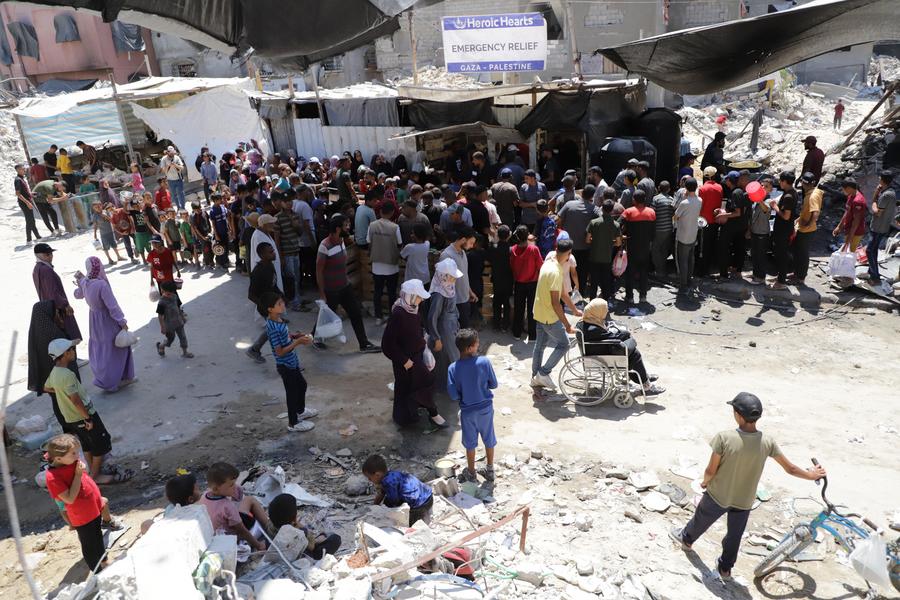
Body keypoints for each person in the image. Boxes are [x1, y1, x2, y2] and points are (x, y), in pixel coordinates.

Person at [669, 392, 826, 580]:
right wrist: (811, 475)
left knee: (701, 519)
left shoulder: (724, 438)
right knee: (734, 536)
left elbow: (711, 469)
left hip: (718, 494)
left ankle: (686, 540)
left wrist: (705, 481)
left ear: (738, 415)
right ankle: (725, 570)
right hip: (744, 500)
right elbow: (790, 468)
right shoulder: (767, 442)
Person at [44, 339, 128, 484]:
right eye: (71, 349)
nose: (74, 351)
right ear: (64, 354)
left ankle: (92, 472)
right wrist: (88, 418)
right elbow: (76, 401)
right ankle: (93, 477)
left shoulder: (55, 373)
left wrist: (60, 392)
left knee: (87, 444)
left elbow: (46, 387)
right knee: (100, 443)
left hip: (71, 418)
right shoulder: (67, 375)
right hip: (83, 416)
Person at [44, 434, 122, 572]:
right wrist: (78, 475)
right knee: (89, 544)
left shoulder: (71, 461)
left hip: (93, 508)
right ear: (58, 458)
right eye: (73, 453)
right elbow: (69, 499)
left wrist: (81, 471)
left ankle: (103, 560)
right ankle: (97, 570)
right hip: (82, 516)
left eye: (77, 452)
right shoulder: (53, 477)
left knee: (97, 536)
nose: (77, 455)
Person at [382, 279, 445, 428]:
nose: (421, 299)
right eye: (418, 296)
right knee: (406, 387)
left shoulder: (413, 308)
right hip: (405, 361)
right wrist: (404, 361)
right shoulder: (398, 314)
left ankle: (427, 413)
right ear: (409, 296)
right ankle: (430, 414)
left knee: (423, 382)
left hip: (416, 356)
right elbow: (387, 344)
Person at [314, 214, 380, 353]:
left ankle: (364, 344)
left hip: (345, 286)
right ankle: (315, 337)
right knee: (326, 315)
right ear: (338, 229)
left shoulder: (342, 241)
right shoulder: (324, 246)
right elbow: (319, 271)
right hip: (331, 290)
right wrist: (322, 294)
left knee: (355, 313)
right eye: (346, 225)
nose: (348, 227)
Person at [577, 298, 664, 395]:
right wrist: (625, 333)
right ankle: (646, 386)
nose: (606, 311)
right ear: (597, 311)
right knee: (634, 354)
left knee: (632, 354)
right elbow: (613, 337)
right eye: (604, 309)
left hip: (598, 349)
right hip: (601, 354)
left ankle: (643, 377)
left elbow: (606, 334)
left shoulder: (586, 321)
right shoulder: (593, 329)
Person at [73, 257, 134, 391]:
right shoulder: (101, 285)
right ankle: (117, 380)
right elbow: (112, 307)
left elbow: (77, 295)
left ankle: (105, 379)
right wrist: (122, 321)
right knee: (117, 348)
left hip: (94, 319)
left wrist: (79, 282)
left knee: (101, 348)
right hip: (107, 320)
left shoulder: (85, 282)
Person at [448, 329, 498, 483]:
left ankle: (471, 472)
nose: (478, 346)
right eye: (476, 344)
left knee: (470, 443)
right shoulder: (484, 362)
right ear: (469, 348)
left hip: (467, 412)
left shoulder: (453, 368)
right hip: (486, 410)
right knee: (489, 439)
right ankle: (490, 470)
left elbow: (453, 395)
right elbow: (494, 384)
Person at [263, 292, 318, 431]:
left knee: (302, 385)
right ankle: (293, 423)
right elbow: (279, 351)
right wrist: (298, 342)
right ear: (270, 309)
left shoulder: (279, 320)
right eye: (279, 304)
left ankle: (300, 411)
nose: (283, 306)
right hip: (285, 365)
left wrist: (295, 336)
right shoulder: (273, 327)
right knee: (292, 393)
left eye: (282, 302)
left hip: (292, 362)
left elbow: (285, 336)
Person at [531, 238, 578, 392]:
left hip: (539, 311)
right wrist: (567, 325)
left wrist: (575, 309)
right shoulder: (555, 272)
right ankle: (543, 373)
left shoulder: (549, 262)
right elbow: (555, 302)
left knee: (539, 347)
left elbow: (563, 293)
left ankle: (535, 378)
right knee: (564, 344)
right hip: (549, 317)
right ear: (569, 254)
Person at [198, 462, 271, 552]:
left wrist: (234, 489)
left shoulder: (205, 495)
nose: (235, 487)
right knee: (251, 501)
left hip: (217, 535)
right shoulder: (227, 506)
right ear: (216, 489)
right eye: (231, 485)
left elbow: (238, 497)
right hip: (237, 539)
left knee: (248, 499)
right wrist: (258, 545)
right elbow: (242, 531)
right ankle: (270, 528)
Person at [363, 454, 434, 527]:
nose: (369, 480)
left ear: (377, 475)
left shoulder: (388, 483)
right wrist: (375, 506)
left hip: (421, 505)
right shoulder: (392, 474)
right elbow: (382, 493)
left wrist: (385, 510)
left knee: (406, 522)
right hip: (428, 495)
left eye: (370, 478)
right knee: (388, 500)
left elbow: (394, 501)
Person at [267, 493, 341, 559]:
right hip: (302, 555)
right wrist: (315, 540)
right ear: (295, 517)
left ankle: (320, 538)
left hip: (282, 551)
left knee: (323, 535)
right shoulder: (297, 533)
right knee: (335, 539)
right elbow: (312, 547)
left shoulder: (270, 526)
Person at [426, 258, 463, 390]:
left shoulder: (448, 287)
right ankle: (446, 387)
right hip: (444, 330)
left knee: (448, 358)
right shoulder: (438, 294)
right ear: (444, 276)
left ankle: (447, 386)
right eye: (452, 277)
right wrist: (436, 338)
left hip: (452, 327)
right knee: (451, 357)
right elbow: (432, 317)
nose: (454, 279)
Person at [33, 243, 81, 340]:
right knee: (68, 336)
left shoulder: (37, 268)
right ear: (39, 255)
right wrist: (65, 305)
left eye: (51, 253)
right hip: (58, 309)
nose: (50, 256)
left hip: (48, 307)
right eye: (47, 254)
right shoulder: (46, 270)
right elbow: (53, 291)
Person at [368, 202, 402, 325]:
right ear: (392, 213)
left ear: (380, 212)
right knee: (392, 293)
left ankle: (379, 316)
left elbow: (368, 241)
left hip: (377, 265)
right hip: (392, 266)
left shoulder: (372, 226)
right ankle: (392, 317)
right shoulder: (395, 227)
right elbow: (399, 243)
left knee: (378, 292)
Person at [557, 185, 598, 290]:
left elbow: (558, 219)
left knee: (567, 271)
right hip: (585, 247)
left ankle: (568, 292)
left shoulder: (569, 205)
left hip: (568, 247)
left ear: (582, 193)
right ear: (592, 196)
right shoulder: (594, 209)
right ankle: (581, 292)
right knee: (582, 271)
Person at [621, 189, 656, 303]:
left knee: (630, 272)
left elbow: (618, 223)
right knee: (643, 272)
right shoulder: (651, 212)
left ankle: (629, 297)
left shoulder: (628, 212)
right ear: (644, 200)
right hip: (645, 246)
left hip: (632, 246)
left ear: (634, 200)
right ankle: (643, 296)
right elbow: (653, 231)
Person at [439, 226, 477, 328]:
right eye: (471, 243)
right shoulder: (446, 256)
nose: (472, 246)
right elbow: (443, 284)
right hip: (454, 303)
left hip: (464, 300)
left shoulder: (463, 252)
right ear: (463, 240)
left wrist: (469, 291)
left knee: (464, 332)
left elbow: (464, 275)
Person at [510, 225, 542, 340]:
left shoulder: (513, 249)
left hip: (519, 283)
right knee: (532, 310)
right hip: (533, 284)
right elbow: (540, 266)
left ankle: (517, 333)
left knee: (519, 308)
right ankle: (532, 335)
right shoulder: (534, 249)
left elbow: (512, 266)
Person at [865, 170, 897, 284]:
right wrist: (877, 192)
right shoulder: (890, 192)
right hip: (881, 227)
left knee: (869, 250)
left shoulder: (886, 195)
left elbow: (877, 212)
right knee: (873, 250)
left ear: (882, 180)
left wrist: (873, 204)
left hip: (878, 228)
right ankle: (871, 271)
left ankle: (875, 277)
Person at [585, 200, 621, 302]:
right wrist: (610, 243)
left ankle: (592, 300)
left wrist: (596, 241)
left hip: (594, 256)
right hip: (607, 257)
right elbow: (618, 243)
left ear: (602, 208)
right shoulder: (616, 225)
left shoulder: (594, 222)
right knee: (606, 279)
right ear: (612, 210)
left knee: (594, 280)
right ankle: (605, 301)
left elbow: (587, 240)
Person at [673, 177, 703, 294]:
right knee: (691, 259)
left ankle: (683, 283)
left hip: (683, 235)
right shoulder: (699, 200)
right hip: (693, 233)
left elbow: (676, 216)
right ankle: (689, 280)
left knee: (683, 260)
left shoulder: (684, 203)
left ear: (685, 188)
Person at [768, 171, 797, 290]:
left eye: (780, 181)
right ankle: (780, 276)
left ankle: (781, 282)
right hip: (785, 229)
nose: (779, 183)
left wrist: (775, 207)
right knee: (780, 254)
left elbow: (786, 216)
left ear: (784, 181)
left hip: (783, 230)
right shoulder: (792, 192)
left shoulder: (789, 196)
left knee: (781, 255)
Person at [793, 172, 822, 285]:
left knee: (802, 254)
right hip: (804, 227)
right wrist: (800, 218)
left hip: (806, 230)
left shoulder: (812, 196)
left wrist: (808, 224)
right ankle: (797, 273)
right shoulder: (816, 191)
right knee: (798, 251)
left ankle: (800, 277)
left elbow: (815, 213)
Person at [155, 281, 192, 358]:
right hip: (169, 325)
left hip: (178, 322)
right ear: (162, 291)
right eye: (166, 293)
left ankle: (185, 352)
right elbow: (160, 315)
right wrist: (162, 327)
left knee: (183, 337)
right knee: (170, 339)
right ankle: (161, 346)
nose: (169, 295)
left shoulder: (175, 297)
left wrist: (182, 317)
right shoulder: (161, 302)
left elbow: (178, 308)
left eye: (170, 293)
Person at [488, 225, 514, 331]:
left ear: (497, 235)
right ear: (508, 236)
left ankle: (496, 324)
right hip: (508, 279)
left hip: (497, 278)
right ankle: (505, 325)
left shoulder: (492, 248)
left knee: (496, 302)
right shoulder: (511, 249)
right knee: (506, 303)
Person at [748, 177, 773, 286]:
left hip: (762, 233)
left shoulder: (767, 200)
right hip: (754, 231)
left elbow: (766, 209)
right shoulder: (756, 200)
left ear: (771, 190)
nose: (763, 188)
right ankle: (755, 273)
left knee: (761, 256)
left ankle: (761, 277)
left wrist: (759, 198)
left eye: (766, 187)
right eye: (762, 185)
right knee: (754, 254)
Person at [832, 178, 867, 252]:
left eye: (843, 189)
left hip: (855, 232)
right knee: (845, 253)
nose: (843, 191)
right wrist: (839, 227)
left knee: (849, 254)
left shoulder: (858, 201)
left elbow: (856, 222)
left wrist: (848, 241)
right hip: (849, 229)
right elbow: (847, 212)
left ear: (849, 188)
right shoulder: (851, 195)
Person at [650, 181, 676, 277]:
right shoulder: (671, 199)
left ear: (658, 188)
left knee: (655, 250)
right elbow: (674, 213)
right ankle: (663, 269)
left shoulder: (656, 199)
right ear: (669, 189)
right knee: (664, 249)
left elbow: (652, 214)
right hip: (669, 228)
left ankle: (659, 270)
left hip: (659, 229)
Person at [15, 163, 44, 243]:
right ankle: (29, 240)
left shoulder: (22, 179)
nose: (24, 170)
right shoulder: (17, 180)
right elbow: (18, 194)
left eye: (24, 168)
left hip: (28, 201)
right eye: (22, 169)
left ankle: (37, 236)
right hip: (24, 203)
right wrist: (27, 202)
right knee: (29, 220)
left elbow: (25, 192)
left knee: (31, 220)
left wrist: (32, 194)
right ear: (18, 170)